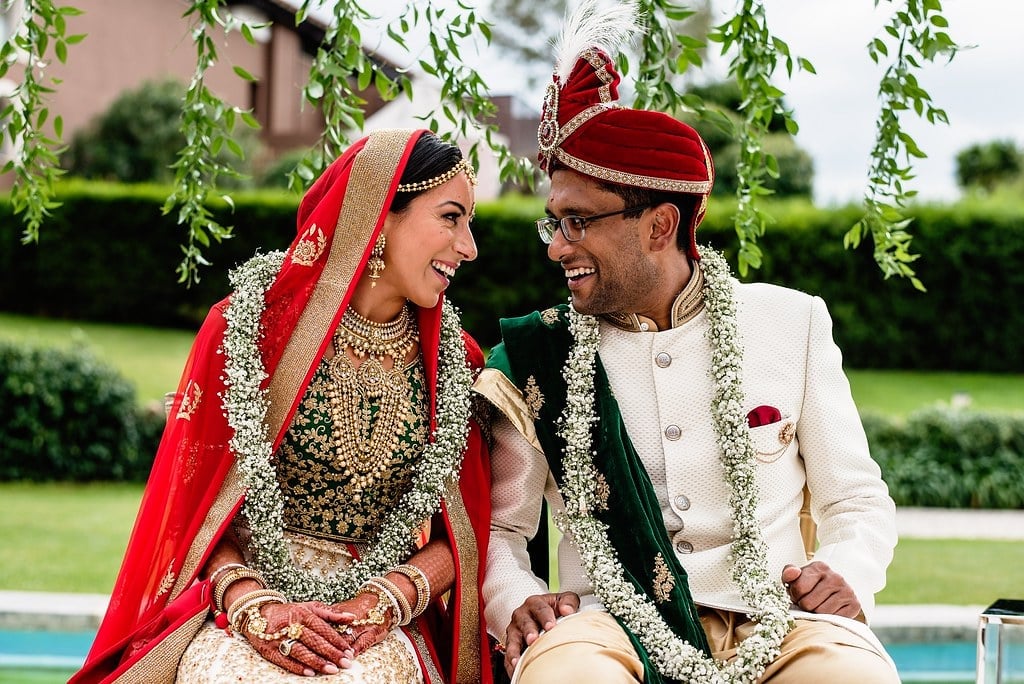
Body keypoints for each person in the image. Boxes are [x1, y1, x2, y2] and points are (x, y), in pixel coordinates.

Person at [472, 4, 899, 683]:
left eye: (577, 222)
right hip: (606, 628)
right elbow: (501, 531)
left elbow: (856, 501)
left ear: (659, 224)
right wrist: (515, 598)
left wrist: (843, 573)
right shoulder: (540, 357)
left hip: (780, 623)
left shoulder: (794, 324)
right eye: (551, 223)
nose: (556, 247)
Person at [71, 129, 493, 684]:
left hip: (371, 622)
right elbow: (196, 510)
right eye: (450, 218)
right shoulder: (252, 329)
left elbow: (462, 536)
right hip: (244, 598)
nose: (469, 247)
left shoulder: (456, 362)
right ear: (379, 213)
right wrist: (251, 604)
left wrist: (386, 599)